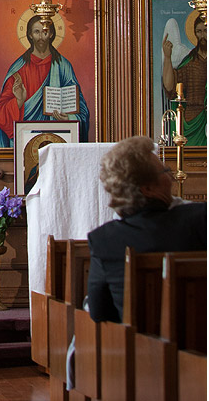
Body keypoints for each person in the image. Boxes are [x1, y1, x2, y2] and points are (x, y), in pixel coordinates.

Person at [87, 135, 207, 322]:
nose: (171, 177)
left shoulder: (104, 240)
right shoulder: (201, 220)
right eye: (165, 171)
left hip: (137, 348)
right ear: (148, 188)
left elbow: (99, 312)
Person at [0, 12, 89, 146]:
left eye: (45, 32)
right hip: (25, 141)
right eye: (36, 32)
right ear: (30, 35)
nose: (41, 37)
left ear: (51, 34)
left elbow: (81, 109)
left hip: (58, 139)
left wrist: (70, 118)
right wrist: (19, 101)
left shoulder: (63, 67)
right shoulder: (18, 70)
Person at [162, 10, 207, 145]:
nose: (203, 35)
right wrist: (168, 57)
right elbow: (170, 88)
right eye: (199, 31)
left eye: (206, 30)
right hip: (193, 120)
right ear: (194, 33)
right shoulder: (188, 63)